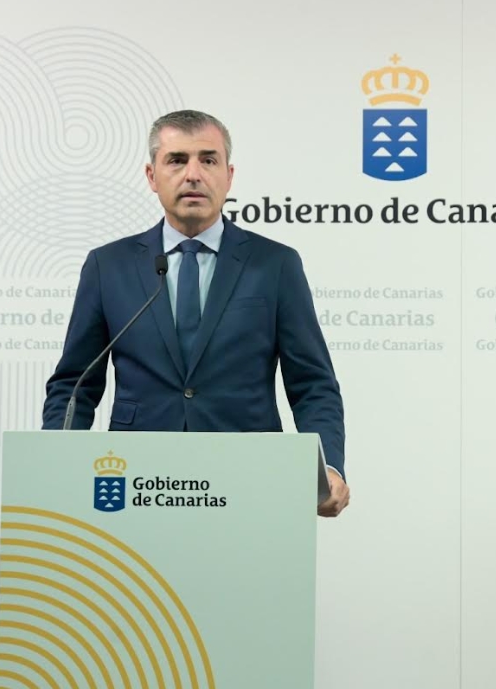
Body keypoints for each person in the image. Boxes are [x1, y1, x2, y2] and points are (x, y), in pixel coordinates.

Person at [42, 109, 350, 516]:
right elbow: (75, 384)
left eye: (208, 160)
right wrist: (56, 463)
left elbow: (312, 383)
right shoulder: (108, 265)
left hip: (250, 478)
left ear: (229, 175)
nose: (193, 174)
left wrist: (328, 468)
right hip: (138, 483)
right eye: (176, 160)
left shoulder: (275, 264)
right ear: (152, 176)